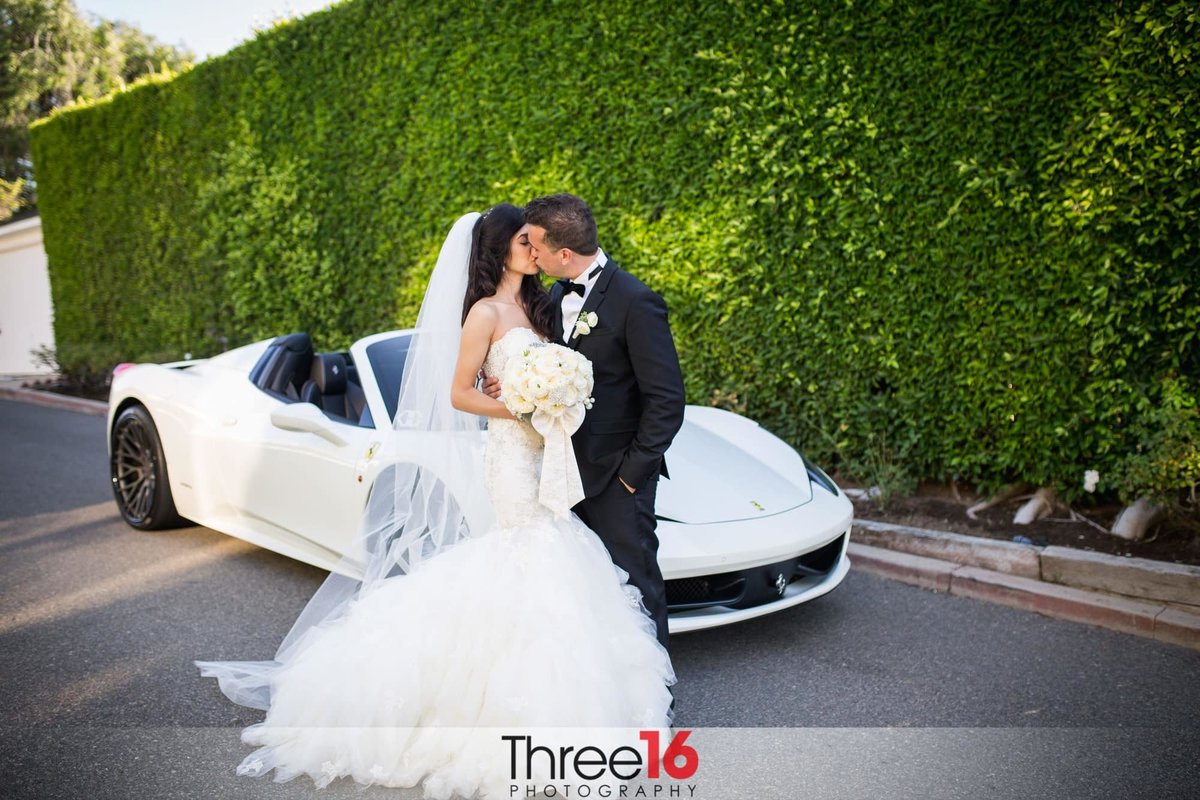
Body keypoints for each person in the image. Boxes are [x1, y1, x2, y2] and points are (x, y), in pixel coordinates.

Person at [196, 205, 674, 798]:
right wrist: (521, 404)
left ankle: (618, 704)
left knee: (575, 569)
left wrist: (548, 396)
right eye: (524, 241)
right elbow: (458, 393)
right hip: (513, 460)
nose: (534, 249)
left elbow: (595, 373)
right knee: (532, 561)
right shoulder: (484, 312)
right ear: (501, 250)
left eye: (537, 241)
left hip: (559, 461)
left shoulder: (547, 303)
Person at [486, 194, 685, 651]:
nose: (531, 254)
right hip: (557, 472)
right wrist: (508, 387)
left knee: (635, 587)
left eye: (535, 246)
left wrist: (632, 477)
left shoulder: (637, 301)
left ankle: (657, 703)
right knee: (584, 589)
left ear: (564, 254)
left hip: (617, 477)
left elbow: (666, 400)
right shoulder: (554, 295)